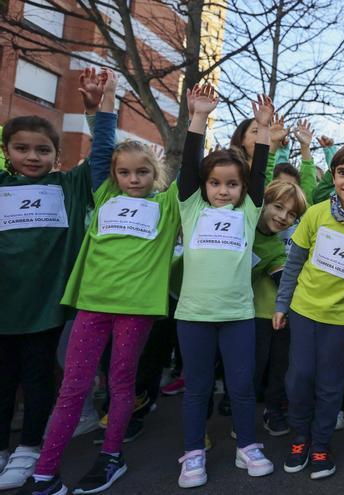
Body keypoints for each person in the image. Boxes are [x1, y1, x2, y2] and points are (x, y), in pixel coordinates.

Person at [15, 70, 179, 495]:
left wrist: (194, 121)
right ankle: (46, 473)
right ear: (114, 177)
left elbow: (191, 177)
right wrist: (102, 103)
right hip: (92, 305)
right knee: (72, 387)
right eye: (125, 173)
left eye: (143, 172)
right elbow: (103, 146)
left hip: (136, 310)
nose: (133, 179)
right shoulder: (104, 195)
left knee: (121, 383)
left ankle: (110, 456)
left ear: (154, 176)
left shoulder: (165, 207)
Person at [174, 85, 275, 488]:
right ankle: (193, 452)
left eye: (232, 184)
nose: (223, 190)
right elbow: (187, 166)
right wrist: (198, 116)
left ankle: (247, 445)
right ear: (204, 186)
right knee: (197, 390)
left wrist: (264, 129)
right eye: (215, 183)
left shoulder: (249, 210)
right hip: (194, 316)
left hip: (238, 316)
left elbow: (261, 170)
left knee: (241, 387)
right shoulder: (191, 206)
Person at [0, 77, 96, 490]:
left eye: (43, 150)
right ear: (6, 152)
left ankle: (30, 447)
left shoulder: (67, 186)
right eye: (22, 148)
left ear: (58, 157)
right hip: (3, 304)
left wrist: (95, 112)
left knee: (38, 377)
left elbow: (103, 157)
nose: (32, 156)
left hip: (44, 307)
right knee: (2, 379)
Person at [273, 141, 344, 480]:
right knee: (298, 378)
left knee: (330, 385)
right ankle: (300, 437)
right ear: (334, 176)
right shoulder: (316, 213)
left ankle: (321, 443)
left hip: (341, 321)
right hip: (304, 312)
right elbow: (294, 262)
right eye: (342, 173)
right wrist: (282, 304)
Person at [253, 180, 308, 436]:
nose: (283, 217)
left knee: (280, 366)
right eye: (278, 207)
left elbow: (283, 279)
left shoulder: (277, 246)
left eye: (292, 214)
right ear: (263, 202)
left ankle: (273, 410)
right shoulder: (242, 222)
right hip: (248, 312)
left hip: (278, 313)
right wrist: (270, 146)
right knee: (253, 366)